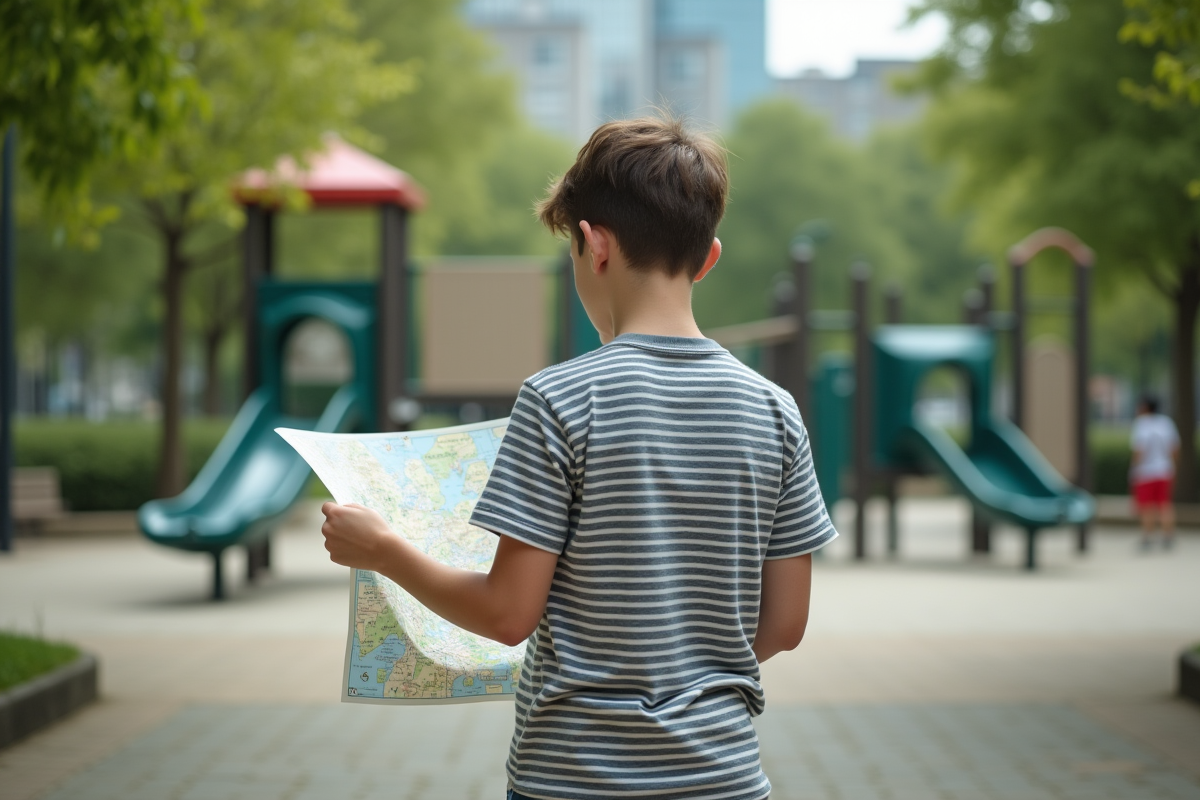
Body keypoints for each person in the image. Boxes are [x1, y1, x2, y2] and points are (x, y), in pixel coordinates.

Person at [319, 116, 837, 800]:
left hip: (574, 777)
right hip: (723, 776)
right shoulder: (774, 409)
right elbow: (785, 626)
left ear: (593, 245)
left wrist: (385, 551)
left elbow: (508, 615)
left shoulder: (559, 399)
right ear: (708, 258)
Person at [1131, 394, 1180, 550]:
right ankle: (1168, 536)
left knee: (1147, 506)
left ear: (1145, 407)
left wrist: (1134, 468)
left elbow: (1139, 450)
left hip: (1145, 472)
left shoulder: (1141, 424)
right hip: (1165, 470)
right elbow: (1175, 448)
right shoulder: (1166, 422)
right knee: (1164, 504)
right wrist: (1172, 465)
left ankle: (1147, 536)